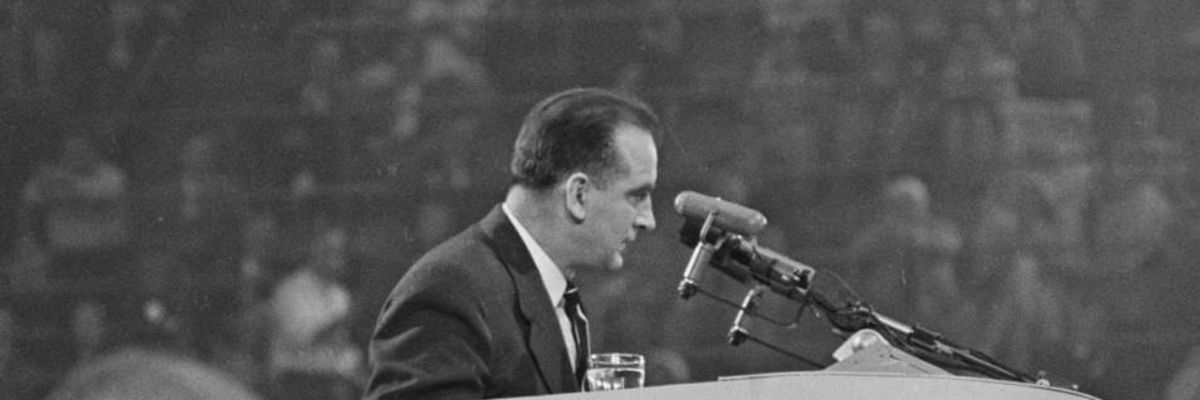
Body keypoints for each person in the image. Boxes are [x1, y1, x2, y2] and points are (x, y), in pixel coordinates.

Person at [363, 87, 661, 399]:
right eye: (638, 195)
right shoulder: (448, 291)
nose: (648, 219)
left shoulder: (553, 292)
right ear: (578, 195)